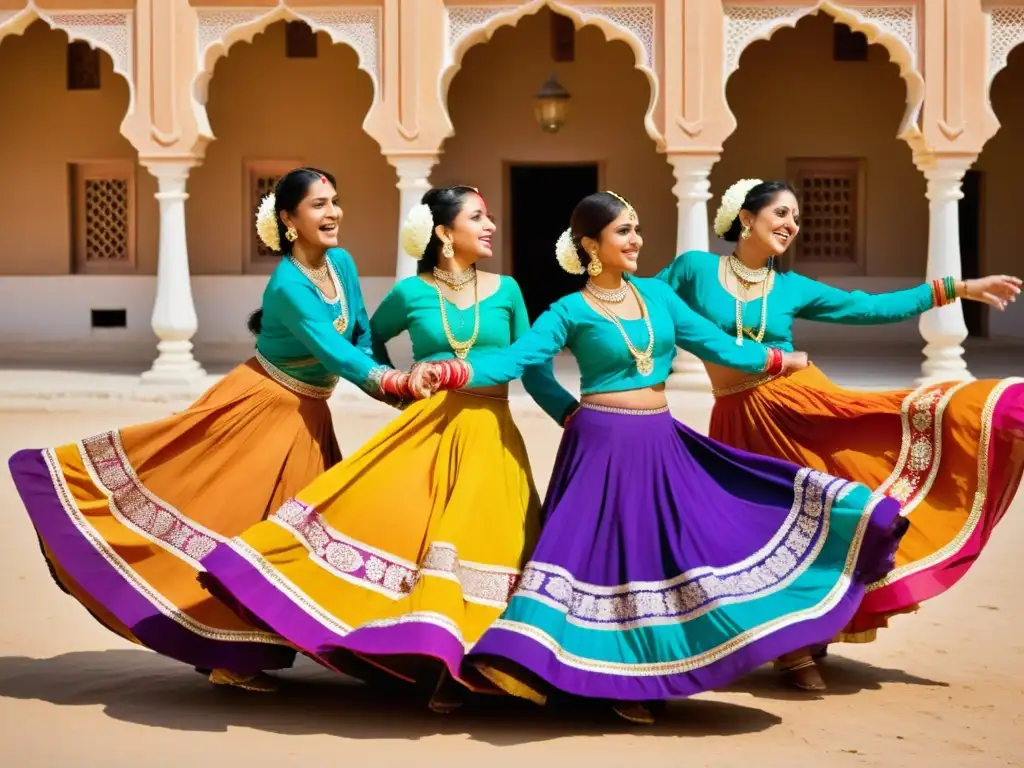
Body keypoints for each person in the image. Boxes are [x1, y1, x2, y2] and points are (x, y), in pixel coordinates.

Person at [436, 191, 908, 725]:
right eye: (622, 231)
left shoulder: (658, 297)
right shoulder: (568, 310)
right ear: (592, 245)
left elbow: (717, 345)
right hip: (600, 448)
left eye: (637, 228)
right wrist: (458, 374)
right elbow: (518, 360)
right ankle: (585, 677)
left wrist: (776, 359)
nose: (636, 239)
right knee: (604, 565)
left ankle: (647, 674)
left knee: (665, 557)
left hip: (658, 441)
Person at [7, 168, 438, 692]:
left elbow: (363, 337)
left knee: (293, 533)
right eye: (318, 205)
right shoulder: (287, 286)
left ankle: (261, 645)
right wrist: (393, 380)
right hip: (259, 410)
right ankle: (224, 654)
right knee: (237, 523)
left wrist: (398, 396)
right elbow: (335, 351)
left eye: (335, 201)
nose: (332, 213)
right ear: (288, 220)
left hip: (307, 416)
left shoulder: (341, 264)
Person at [198, 185, 579, 712]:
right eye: (477, 217)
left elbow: (531, 363)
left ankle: (481, 665)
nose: (491, 225)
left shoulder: (508, 289)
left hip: (493, 433)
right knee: (415, 545)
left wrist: (568, 412)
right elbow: (362, 345)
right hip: (428, 432)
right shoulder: (409, 293)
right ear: (444, 234)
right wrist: (402, 392)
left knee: (493, 548)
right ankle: (436, 667)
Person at [656, 178, 1023, 691]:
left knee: (822, 516)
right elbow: (647, 309)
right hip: (738, 418)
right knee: (757, 528)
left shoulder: (790, 288)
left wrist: (957, 288)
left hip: (804, 407)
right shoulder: (694, 269)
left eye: (797, 219)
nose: (791, 225)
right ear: (746, 218)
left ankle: (800, 647)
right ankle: (791, 638)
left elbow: (868, 308)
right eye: (781, 213)